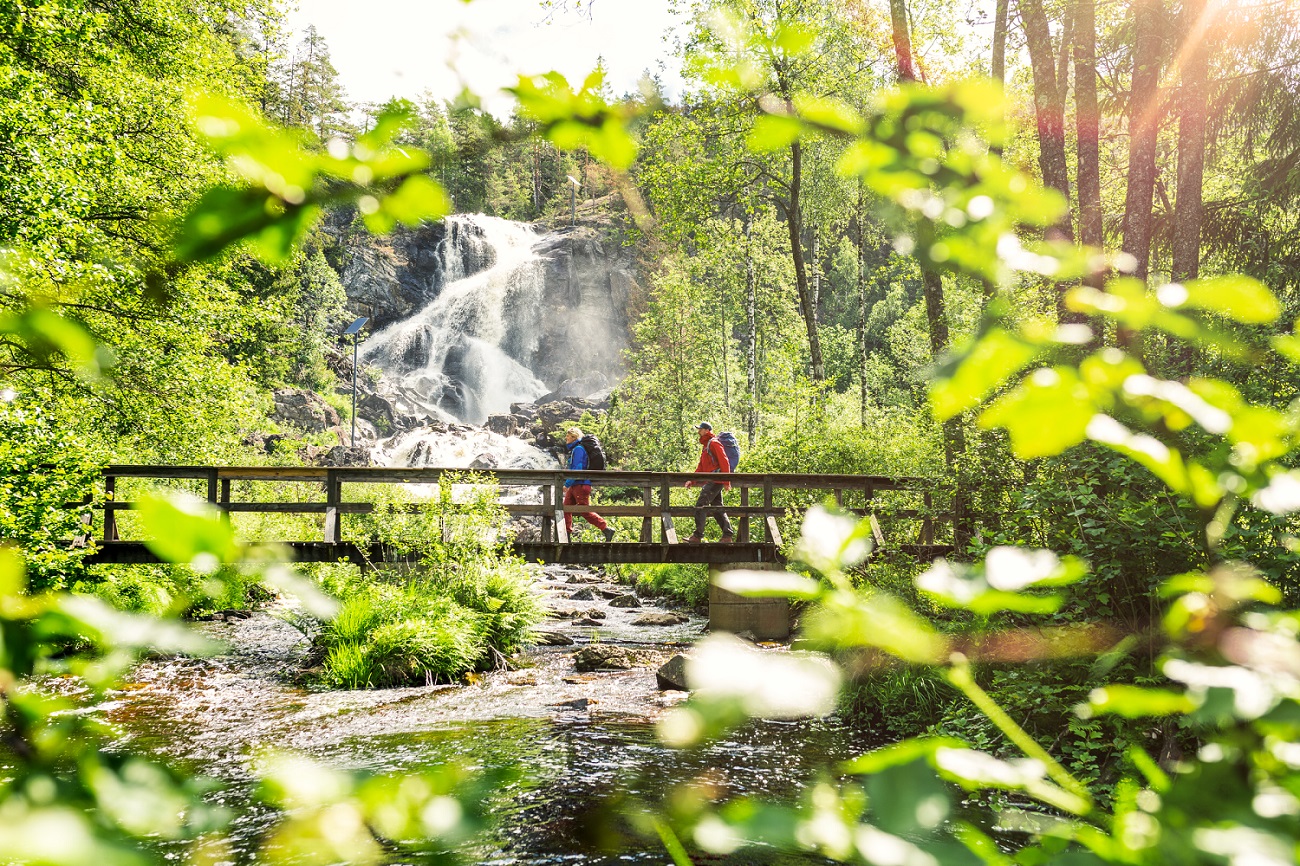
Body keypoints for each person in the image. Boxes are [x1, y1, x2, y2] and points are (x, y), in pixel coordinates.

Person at [563, 426, 615, 542]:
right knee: (565, 508)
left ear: (574, 437)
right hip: (575, 484)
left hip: (581, 484)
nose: (566, 438)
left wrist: (567, 484)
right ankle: (566, 535)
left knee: (584, 510)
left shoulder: (579, 449)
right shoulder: (575, 449)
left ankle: (606, 528)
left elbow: (578, 468)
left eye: (568, 436)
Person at [684, 421, 733, 543]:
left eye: (700, 429)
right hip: (713, 480)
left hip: (716, 480)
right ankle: (727, 535)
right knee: (717, 508)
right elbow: (701, 466)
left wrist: (726, 481)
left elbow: (724, 461)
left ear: (706, 430)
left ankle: (697, 536)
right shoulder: (706, 447)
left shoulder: (714, 443)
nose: (698, 432)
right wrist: (692, 480)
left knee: (700, 505)